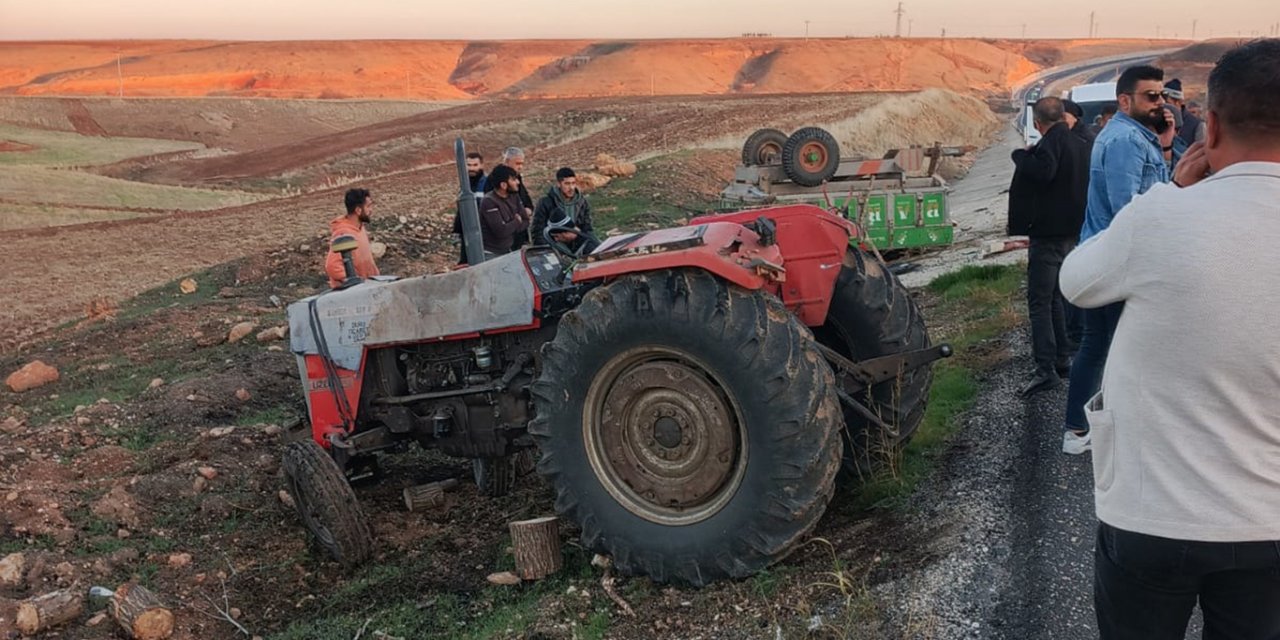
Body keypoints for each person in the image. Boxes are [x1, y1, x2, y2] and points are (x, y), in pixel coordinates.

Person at [1059, 39, 1280, 639]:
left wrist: (1173, 190)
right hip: (1268, 524)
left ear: (1207, 126)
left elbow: (1076, 281)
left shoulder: (1161, 216)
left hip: (1152, 514)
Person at [1058, 64, 1178, 455]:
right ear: (1125, 100)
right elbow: (1127, 209)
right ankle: (1078, 430)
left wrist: (1165, 144)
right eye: (1151, 96)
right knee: (1102, 345)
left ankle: (1087, 425)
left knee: (1106, 344)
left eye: (1161, 95)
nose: (1159, 102)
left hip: (1114, 254)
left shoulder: (1136, 136)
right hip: (1119, 258)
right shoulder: (1126, 140)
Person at [1007, 97, 1091, 397]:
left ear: (1039, 123)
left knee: (1039, 303)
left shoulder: (1051, 144)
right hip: (1072, 232)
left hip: (1049, 236)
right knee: (1055, 298)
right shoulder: (1080, 143)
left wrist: (1020, 155)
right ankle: (1060, 360)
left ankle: (1045, 370)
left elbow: (1044, 172)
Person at [532, 167, 599, 255]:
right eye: (567, 184)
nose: (571, 188)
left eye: (573, 183)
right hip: (555, 242)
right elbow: (538, 231)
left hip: (576, 240)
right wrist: (545, 250)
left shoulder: (582, 202)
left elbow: (587, 227)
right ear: (559, 184)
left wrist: (579, 236)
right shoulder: (546, 202)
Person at [324, 188, 379, 288]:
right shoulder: (344, 233)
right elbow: (332, 267)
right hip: (355, 294)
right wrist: (354, 281)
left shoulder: (359, 228)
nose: (371, 210)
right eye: (368, 206)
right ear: (358, 210)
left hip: (368, 288)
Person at [477, 164, 529, 257]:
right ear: (503, 185)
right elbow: (501, 232)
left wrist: (510, 225)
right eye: (513, 180)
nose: (518, 182)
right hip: (490, 254)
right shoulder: (489, 201)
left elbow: (526, 221)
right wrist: (517, 221)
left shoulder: (514, 196)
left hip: (507, 250)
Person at [453, 151, 487, 264]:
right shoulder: (464, 184)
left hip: (481, 229)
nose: (471, 168)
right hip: (466, 228)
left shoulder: (486, 183)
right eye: (469, 165)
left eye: (475, 165)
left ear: (481, 165)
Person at [1165, 78, 1206, 145]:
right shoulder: (1157, 121)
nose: (1164, 106)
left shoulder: (1197, 125)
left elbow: (1202, 152)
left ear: (1178, 102)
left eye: (1167, 103)